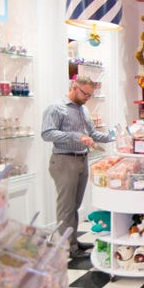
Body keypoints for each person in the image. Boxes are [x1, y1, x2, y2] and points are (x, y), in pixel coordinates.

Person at [41, 76, 112, 259]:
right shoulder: (56, 107)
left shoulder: (84, 109)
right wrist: (76, 136)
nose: (87, 98)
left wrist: (113, 137)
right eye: (85, 94)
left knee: (75, 205)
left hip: (82, 159)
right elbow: (47, 133)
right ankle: (67, 248)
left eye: (90, 95)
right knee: (66, 207)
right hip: (64, 160)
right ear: (74, 87)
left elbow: (92, 133)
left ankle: (73, 241)